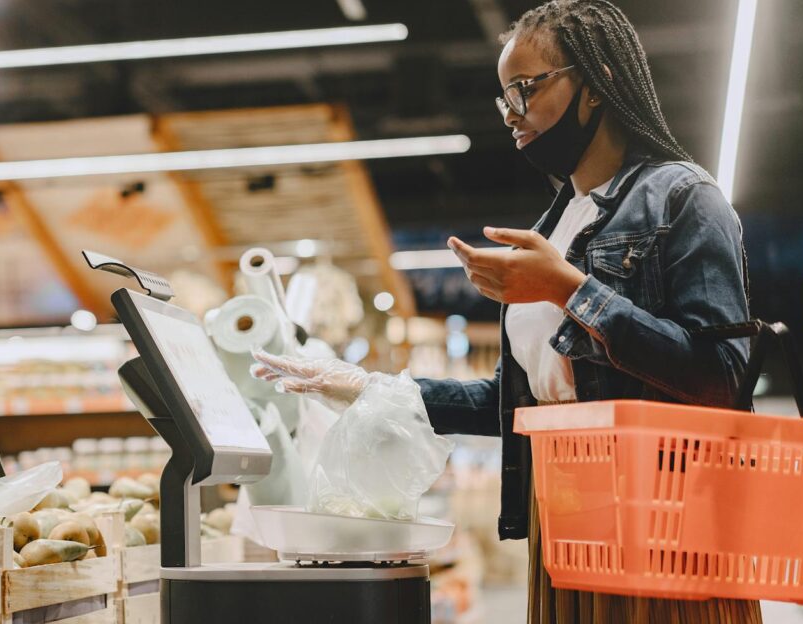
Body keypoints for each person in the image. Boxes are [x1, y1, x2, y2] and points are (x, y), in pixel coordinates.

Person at [252, 1, 762, 621]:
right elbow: (517, 404)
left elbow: (723, 376)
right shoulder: (557, 222)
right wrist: (374, 389)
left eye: (525, 88)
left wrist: (570, 290)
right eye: (504, 98)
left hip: (663, 517)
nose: (512, 114)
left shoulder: (684, 198)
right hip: (566, 517)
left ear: (595, 81)